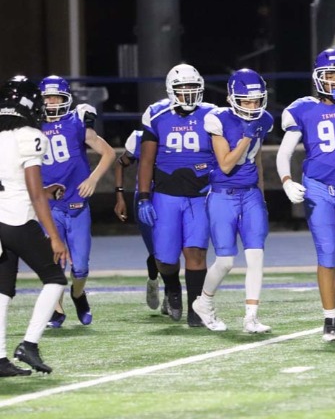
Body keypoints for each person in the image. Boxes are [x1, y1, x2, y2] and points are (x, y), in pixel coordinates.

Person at [276, 48, 335, 342]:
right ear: (318, 77)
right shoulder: (303, 109)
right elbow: (284, 152)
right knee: (327, 252)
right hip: (317, 188)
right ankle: (331, 319)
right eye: (330, 75)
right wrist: (287, 181)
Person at [192, 69, 274, 333]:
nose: (252, 106)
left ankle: (251, 317)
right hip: (222, 194)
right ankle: (203, 303)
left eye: (256, 100)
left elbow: (257, 159)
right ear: (232, 98)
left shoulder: (265, 119)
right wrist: (247, 136)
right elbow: (226, 164)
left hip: (250, 194)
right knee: (226, 261)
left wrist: (261, 194)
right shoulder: (218, 119)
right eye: (246, 101)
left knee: (256, 256)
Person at [137, 63, 216, 327]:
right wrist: (144, 196)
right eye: (183, 87)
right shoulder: (157, 113)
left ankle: (196, 308)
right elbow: (146, 160)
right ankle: (172, 287)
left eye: (193, 86)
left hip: (199, 194)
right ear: (172, 90)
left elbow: (222, 153)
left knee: (196, 252)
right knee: (165, 259)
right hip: (166, 194)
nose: (189, 92)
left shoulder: (212, 114)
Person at [0, 76, 69, 376]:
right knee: (55, 278)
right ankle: (29, 344)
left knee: (2, 290)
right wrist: (54, 236)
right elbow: (32, 192)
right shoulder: (29, 135)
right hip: (17, 219)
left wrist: (44, 191)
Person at [39, 75, 116, 328]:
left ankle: (78, 294)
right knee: (54, 264)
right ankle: (56, 310)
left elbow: (108, 153)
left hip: (77, 204)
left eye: (56, 97)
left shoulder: (76, 121)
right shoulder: (32, 127)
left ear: (65, 99)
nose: (52, 102)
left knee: (80, 268)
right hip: (49, 207)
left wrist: (93, 179)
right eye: (48, 98)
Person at [113, 129, 163, 311]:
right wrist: (119, 196)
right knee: (157, 251)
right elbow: (120, 163)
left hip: (173, 197)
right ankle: (154, 280)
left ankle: (171, 292)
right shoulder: (140, 138)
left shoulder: (181, 134)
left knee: (175, 248)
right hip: (146, 199)